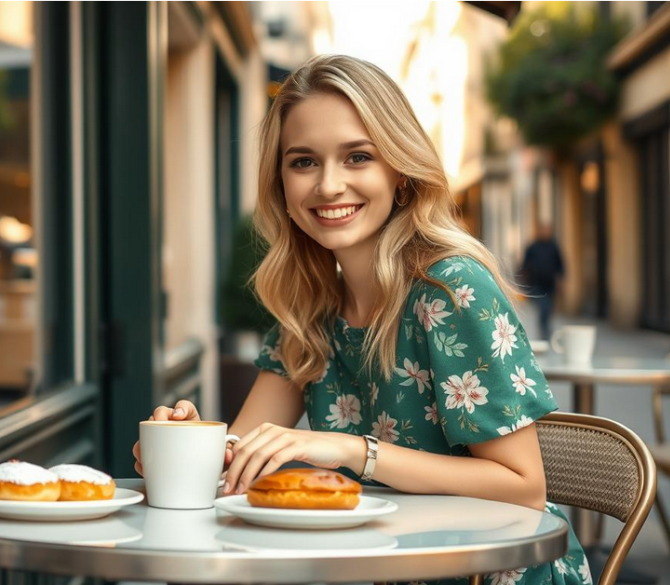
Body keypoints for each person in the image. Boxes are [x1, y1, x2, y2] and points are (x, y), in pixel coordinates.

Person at [133, 55, 589, 584]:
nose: (328, 186)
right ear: (280, 184)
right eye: (303, 162)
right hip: (378, 567)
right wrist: (189, 450)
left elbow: (523, 485)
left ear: (399, 173)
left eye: (357, 157)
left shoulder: (451, 288)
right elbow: (238, 464)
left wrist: (353, 452)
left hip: (490, 572)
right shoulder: (310, 306)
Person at [521, 223, 565, 339]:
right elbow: (525, 265)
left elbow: (560, 264)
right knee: (543, 307)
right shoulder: (533, 247)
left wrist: (560, 281)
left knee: (548, 309)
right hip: (537, 284)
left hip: (550, 284)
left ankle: (545, 328)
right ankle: (544, 330)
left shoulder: (553, 247)